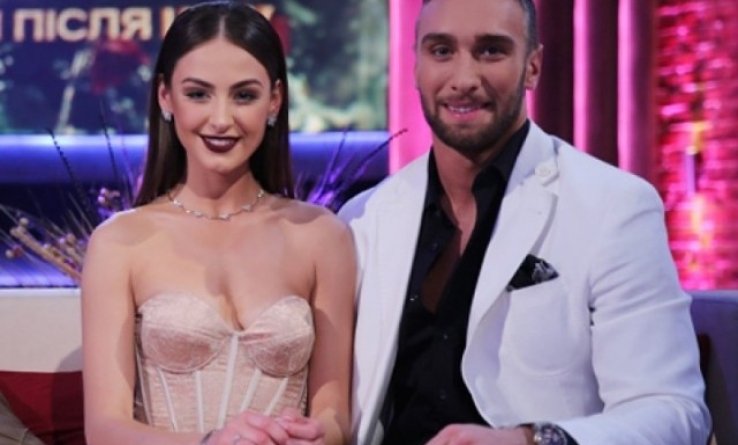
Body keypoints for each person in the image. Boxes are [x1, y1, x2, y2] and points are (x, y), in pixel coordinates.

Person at [338, 0, 711, 444]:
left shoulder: (614, 207)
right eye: (441, 51)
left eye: (490, 51)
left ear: (532, 67)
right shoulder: (363, 218)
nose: (464, 78)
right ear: (416, 66)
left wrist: (530, 440)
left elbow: (672, 411)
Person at [81, 2, 355, 445]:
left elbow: (334, 409)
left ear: (275, 100)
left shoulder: (322, 236)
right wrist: (211, 442)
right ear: (165, 96)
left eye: (244, 95)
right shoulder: (120, 242)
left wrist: (317, 433)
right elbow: (105, 430)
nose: (222, 119)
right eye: (198, 94)